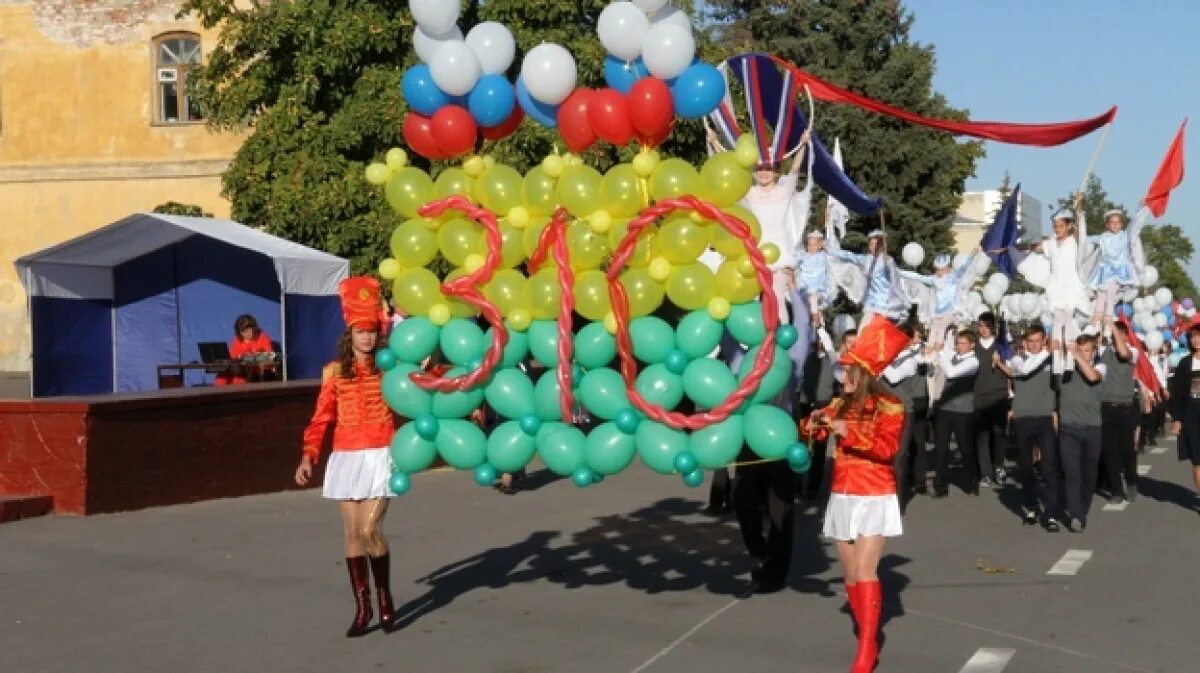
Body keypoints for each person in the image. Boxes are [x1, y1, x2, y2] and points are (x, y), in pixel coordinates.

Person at [799, 315, 907, 673]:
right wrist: (812, 424)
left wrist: (847, 432)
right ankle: (868, 635)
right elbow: (812, 435)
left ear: (864, 374)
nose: (842, 376)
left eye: (848, 372)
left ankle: (866, 649)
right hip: (842, 494)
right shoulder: (838, 403)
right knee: (848, 573)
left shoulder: (890, 405)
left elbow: (886, 450)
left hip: (874, 493)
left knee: (864, 569)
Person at [294, 277, 398, 637]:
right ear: (349, 334)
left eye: (372, 332)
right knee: (353, 532)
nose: (367, 338)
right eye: (360, 332)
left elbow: (421, 384)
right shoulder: (334, 372)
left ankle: (384, 595)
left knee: (372, 529)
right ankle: (363, 607)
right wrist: (309, 455)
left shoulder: (390, 367)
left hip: (382, 452)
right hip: (346, 456)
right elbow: (321, 417)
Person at [738, 127, 813, 323]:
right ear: (754, 173)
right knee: (754, 300)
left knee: (777, 297)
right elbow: (729, 171)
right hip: (755, 253)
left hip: (779, 254)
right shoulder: (749, 192)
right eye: (760, 169)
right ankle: (756, 340)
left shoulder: (784, 191)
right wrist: (713, 142)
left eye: (768, 168)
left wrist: (803, 145)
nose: (764, 173)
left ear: (776, 172)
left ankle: (781, 342)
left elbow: (795, 169)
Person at [996, 325, 1061, 529]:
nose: (1034, 345)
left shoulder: (1053, 360)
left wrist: (1059, 351)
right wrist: (1049, 354)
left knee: (1048, 467)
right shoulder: (1018, 359)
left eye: (1037, 341)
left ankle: (1050, 513)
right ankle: (1031, 507)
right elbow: (1024, 370)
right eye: (1030, 341)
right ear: (1025, 342)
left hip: (1044, 418)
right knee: (1026, 467)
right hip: (1023, 419)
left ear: (1044, 340)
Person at [1022, 195, 1090, 362]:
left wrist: (1079, 208)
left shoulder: (1074, 242)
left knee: (1070, 324)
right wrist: (1011, 248)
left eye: (1061, 226)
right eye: (1055, 226)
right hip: (1055, 289)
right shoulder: (1050, 243)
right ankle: (1057, 362)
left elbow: (1082, 231)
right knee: (1057, 325)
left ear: (1068, 226)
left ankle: (1072, 360)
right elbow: (1034, 248)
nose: (1057, 229)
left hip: (1071, 289)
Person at [1055, 333, 1107, 532]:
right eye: (1080, 349)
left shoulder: (1101, 367)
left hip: (1093, 428)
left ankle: (1082, 510)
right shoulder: (1065, 368)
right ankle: (1075, 514)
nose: (1083, 354)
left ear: (1093, 352)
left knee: (1088, 474)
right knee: (1071, 472)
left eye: (1087, 351)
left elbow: (1092, 376)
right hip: (1069, 428)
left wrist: (1076, 355)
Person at [880, 324, 931, 506]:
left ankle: (899, 501)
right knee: (888, 455)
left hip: (906, 410)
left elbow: (892, 376)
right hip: (888, 412)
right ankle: (888, 494)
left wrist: (878, 362)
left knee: (900, 455)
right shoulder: (895, 356)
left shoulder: (912, 362)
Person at [929, 329, 981, 497]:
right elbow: (942, 351)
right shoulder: (952, 356)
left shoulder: (973, 361)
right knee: (941, 448)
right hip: (945, 408)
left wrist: (942, 354)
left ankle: (973, 480)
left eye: (963, 343)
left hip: (963, 411)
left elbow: (951, 372)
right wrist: (938, 346)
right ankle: (940, 486)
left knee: (965, 448)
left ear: (972, 345)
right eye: (958, 343)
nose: (959, 346)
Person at [828, 230, 910, 325]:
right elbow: (849, 256)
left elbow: (895, 282)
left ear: (881, 246)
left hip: (885, 306)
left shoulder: (888, 261)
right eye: (871, 244)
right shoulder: (867, 259)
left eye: (875, 244)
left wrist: (888, 263)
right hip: (871, 304)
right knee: (864, 331)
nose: (872, 246)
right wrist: (829, 250)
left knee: (877, 332)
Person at [898, 250, 981, 343]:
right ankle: (931, 350)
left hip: (950, 310)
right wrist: (898, 271)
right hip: (938, 312)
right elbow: (917, 277)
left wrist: (972, 255)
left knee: (942, 331)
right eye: (937, 269)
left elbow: (964, 267)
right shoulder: (934, 279)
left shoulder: (953, 277)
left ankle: (942, 345)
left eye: (941, 269)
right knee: (933, 332)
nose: (938, 272)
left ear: (947, 268)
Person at [1099, 319, 1140, 504]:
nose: (1116, 338)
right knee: (1110, 451)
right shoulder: (1104, 351)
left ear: (1125, 335)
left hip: (1126, 407)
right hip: (1107, 407)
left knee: (1128, 449)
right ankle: (1116, 489)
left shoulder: (1133, 352)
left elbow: (1123, 353)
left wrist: (1114, 328)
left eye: (1119, 334)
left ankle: (1131, 481)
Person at [1087, 206, 1148, 328]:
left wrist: (1140, 208)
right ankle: (1098, 313)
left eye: (1118, 222)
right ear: (1107, 225)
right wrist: (1078, 235)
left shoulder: (1125, 236)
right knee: (1101, 293)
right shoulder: (1103, 237)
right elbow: (1089, 239)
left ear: (1122, 224)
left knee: (1110, 292)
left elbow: (1134, 224)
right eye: (1112, 222)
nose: (1115, 225)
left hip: (1118, 271)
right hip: (1105, 271)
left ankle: (1108, 314)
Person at [974, 313, 1011, 488]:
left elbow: (1012, 371)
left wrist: (1000, 362)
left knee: (999, 434)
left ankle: (999, 468)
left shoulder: (1001, 346)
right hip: (979, 397)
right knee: (982, 436)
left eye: (987, 325)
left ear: (993, 327)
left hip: (998, 397)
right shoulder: (974, 347)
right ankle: (985, 473)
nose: (983, 329)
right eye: (981, 325)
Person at [1169, 325, 1200, 498]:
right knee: (1198, 460)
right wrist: (1177, 418)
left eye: (1199, 336)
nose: (1196, 340)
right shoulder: (1185, 363)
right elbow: (1178, 394)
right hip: (1193, 416)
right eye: (1193, 336)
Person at [215, 314, 275, 385]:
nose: (246, 334)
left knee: (238, 379)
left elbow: (270, 356)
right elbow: (233, 358)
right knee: (221, 377)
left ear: (254, 328)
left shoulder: (262, 337)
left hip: (256, 370)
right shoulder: (237, 341)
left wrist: (252, 357)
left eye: (248, 330)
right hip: (239, 369)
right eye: (243, 332)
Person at [794, 229, 836, 327]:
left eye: (814, 245)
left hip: (819, 290)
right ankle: (816, 322)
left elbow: (834, 252)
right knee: (807, 306)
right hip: (804, 289)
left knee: (814, 299)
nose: (811, 247)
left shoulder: (824, 256)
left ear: (820, 246)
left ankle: (816, 320)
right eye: (809, 245)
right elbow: (794, 262)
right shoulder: (803, 256)